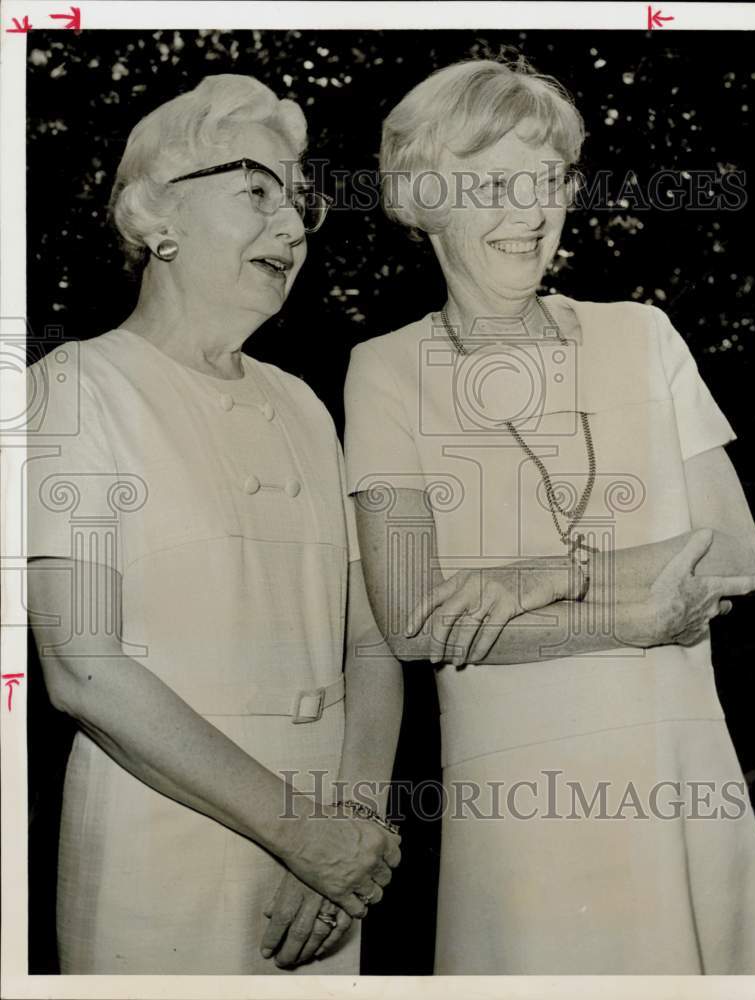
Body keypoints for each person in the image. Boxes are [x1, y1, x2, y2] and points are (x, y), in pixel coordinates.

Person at [344, 58, 755, 974]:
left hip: (679, 768)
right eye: (496, 184)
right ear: (428, 199)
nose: (533, 211)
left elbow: (735, 550)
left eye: (548, 181)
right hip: (520, 792)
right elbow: (415, 618)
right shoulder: (384, 369)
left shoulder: (642, 334)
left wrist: (552, 574)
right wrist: (625, 611)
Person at [26, 74, 402, 975]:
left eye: (299, 205)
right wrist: (303, 835)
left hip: (322, 888)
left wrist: (344, 832)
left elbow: (373, 642)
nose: (292, 227)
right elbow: (85, 668)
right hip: (162, 851)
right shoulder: (74, 389)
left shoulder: (307, 405)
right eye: (257, 191)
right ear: (157, 220)